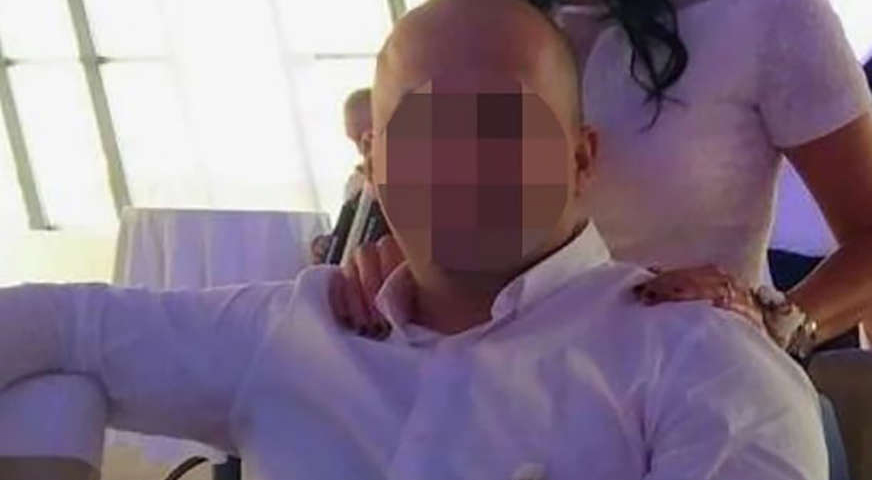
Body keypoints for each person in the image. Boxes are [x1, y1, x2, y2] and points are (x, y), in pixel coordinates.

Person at [0, 1, 826, 478]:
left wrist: (777, 317)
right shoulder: (292, 329)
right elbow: (58, 328)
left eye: (506, 125)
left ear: (582, 159)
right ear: (374, 161)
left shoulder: (698, 368)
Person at [334, 0, 872, 360]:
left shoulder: (766, 15)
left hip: (701, 387)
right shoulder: (478, 23)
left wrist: (778, 325)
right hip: (500, 389)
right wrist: (391, 264)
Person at [311, 88, 376, 264]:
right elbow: (346, 235)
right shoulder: (355, 184)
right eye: (355, 140)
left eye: (369, 137)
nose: (361, 150)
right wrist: (326, 244)